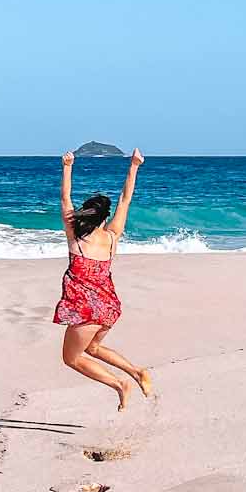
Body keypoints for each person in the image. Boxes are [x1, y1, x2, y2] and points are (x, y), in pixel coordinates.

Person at [53, 149, 154, 411]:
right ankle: (137, 371)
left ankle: (119, 385)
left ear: (85, 213)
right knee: (94, 348)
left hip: (88, 310)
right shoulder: (112, 236)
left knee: (71, 358)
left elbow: (65, 197)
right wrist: (134, 166)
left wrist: (67, 166)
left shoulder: (75, 236)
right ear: (104, 218)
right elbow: (124, 200)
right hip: (109, 307)